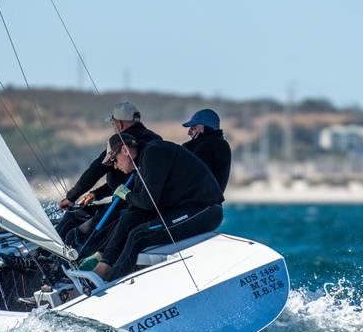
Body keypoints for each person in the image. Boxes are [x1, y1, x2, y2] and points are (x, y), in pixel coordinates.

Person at [92, 133, 224, 282]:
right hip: (183, 208)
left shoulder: (153, 153)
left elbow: (148, 201)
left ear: (124, 150)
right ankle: (102, 267)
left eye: (114, 160)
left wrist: (126, 195)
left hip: (204, 210)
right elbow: (137, 209)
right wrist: (105, 253)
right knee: (128, 218)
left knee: (138, 235)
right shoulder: (143, 160)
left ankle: (110, 282)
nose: (115, 166)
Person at [56, 101, 161, 259]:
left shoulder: (123, 142)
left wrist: (71, 197)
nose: (114, 127)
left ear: (119, 123)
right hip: (133, 200)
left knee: (72, 218)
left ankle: (45, 255)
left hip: (127, 204)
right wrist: (97, 194)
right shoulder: (155, 139)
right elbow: (126, 178)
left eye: (113, 123)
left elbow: (96, 170)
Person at [181, 108, 232, 192]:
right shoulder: (219, 144)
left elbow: (192, 173)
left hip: (197, 203)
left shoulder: (211, 145)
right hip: (207, 202)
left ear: (203, 127)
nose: (189, 132)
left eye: (193, 128)